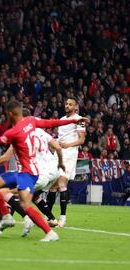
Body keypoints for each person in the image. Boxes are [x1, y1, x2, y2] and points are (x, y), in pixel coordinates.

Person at [0, 100, 89, 241]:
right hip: (28, 172)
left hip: (29, 174)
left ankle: (49, 232)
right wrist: (75, 120)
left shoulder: (13, 132)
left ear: (9, 114)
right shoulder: (32, 121)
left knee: (23, 202)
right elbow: (52, 123)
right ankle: (8, 218)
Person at [0, 126, 65, 236]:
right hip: (52, 172)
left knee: (6, 193)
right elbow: (56, 147)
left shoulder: (20, 137)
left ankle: (26, 218)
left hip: (37, 173)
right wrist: (60, 163)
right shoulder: (38, 133)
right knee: (28, 197)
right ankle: (50, 219)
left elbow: (5, 158)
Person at [47, 96, 86, 227]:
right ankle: (49, 217)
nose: (67, 106)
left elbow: (81, 140)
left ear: (75, 107)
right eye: (66, 103)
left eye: (70, 104)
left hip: (69, 155)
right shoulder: (62, 120)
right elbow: (61, 138)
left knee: (62, 182)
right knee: (52, 185)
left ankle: (63, 219)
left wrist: (67, 145)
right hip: (59, 153)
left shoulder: (79, 120)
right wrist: (55, 144)